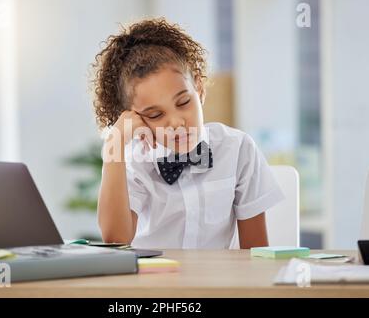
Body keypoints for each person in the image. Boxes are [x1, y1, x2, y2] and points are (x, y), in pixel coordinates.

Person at [91, 18, 284, 249]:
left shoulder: (237, 149)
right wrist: (116, 140)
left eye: (183, 102)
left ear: (199, 89)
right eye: (155, 115)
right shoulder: (136, 162)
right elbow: (116, 239)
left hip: (217, 284)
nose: (175, 122)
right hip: (152, 283)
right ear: (135, 119)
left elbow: (255, 254)